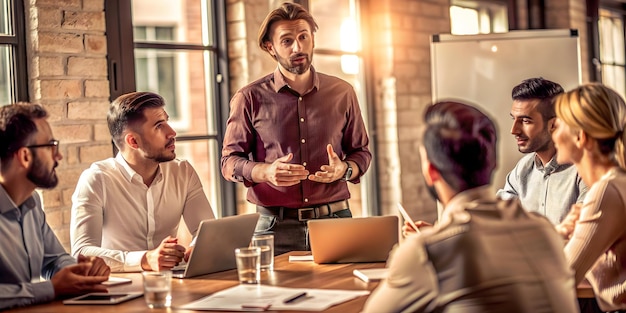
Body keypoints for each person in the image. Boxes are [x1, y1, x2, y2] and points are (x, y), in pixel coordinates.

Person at [362, 101, 578, 313]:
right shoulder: (543, 230)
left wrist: (405, 256)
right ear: (493, 163)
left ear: (430, 170)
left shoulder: (426, 251)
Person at [221, 2, 371, 255]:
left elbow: (361, 152)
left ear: (313, 39)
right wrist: (265, 171)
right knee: (274, 295)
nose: (298, 47)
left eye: (303, 37)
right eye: (287, 41)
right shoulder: (249, 98)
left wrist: (344, 169)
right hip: (273, 228)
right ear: (270, 47)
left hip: (335, 220)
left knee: (345, 292)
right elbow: (228, 162)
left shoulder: (343, 92)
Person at [70, 91, 215, 272]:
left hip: (171, 284)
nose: (172, 132)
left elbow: (206, 231)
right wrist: (145, 259)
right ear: (133, 141)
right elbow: (82, 253)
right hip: (120, 289)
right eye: (159, 126)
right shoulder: (96, 179)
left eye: (167, 121)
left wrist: (196, 248)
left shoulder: (182, 172)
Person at [0, 103, 110, 310]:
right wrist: (50, 289)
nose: (58, 156)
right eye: (51, 146)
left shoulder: (32, 204)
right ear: (25, 156)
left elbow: (54, 260)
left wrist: (81, 273)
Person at [552, 83, 626, 312]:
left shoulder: (606, 191)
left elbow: (561, 277)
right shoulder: (617, 182)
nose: (553, 131)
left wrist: (557, 234)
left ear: (580, 137)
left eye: (558, 123)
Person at [497, 77, 587, 225]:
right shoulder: (522, 169)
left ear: (554, 124)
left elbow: (584, 232)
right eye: (514, 119)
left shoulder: (582, 169)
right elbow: (498, 216)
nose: (514, 130)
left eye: (525, 121)